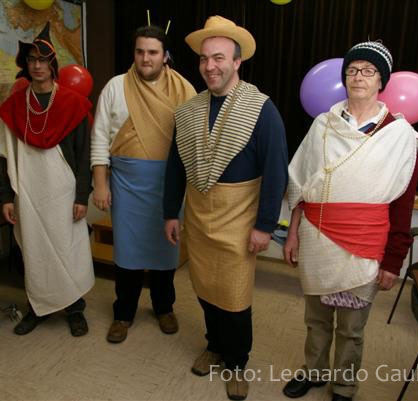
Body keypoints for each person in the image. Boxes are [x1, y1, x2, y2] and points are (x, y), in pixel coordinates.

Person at [282, 41, 418, 401]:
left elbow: (403, 204)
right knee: (316, 318)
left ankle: (344, 385)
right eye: (351, 70)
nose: (358, 76)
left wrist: (393, 259)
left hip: (365, 242)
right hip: (316, 235)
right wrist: (292, 233)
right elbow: (301, 183)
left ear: (382, 81)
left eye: (368, 70)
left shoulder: (398, 135)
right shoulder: (323, 125)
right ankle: (314, 371)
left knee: (351, 327)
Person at [163, 16, 288, 401]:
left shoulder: (262, 109)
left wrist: (265, 225)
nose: (210, 66)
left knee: (234, 295)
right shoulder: (188, 111)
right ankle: (214, 344)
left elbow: (276, 170)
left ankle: (236, 361)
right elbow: (176, 166)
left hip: (240, 217)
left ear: (237, 61)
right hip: (198, 213)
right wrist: (170, 212)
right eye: (204, 59)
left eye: (218, 58)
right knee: (204, 286)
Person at [0, 22, 94, 337]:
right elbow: (4, 157)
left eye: (43, 60)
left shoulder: (72, 103)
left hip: (63, 191)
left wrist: (82, 196)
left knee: (68, 250)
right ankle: (38, 307)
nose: (37, 65)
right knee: (34, 252)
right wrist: (6, 197)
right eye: (32, 60)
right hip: (28, 191)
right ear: (26, 64)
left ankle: (75, 308)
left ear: (52, 64)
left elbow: (84, 155)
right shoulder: (15, 106)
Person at [91, 24, 196, 343]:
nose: (145, 58)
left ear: (165, 56)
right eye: (140, 52)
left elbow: (194, 141)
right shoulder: (116, 86)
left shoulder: (184, 89)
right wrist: (100, 184)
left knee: (166, 249)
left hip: (169, 184)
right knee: (127, 252)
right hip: (125, 182)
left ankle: (164, 307)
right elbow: (99, 137)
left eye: (152, 52)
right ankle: (123, 313)